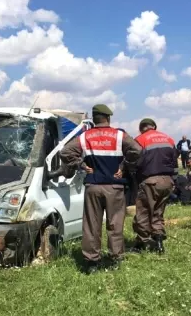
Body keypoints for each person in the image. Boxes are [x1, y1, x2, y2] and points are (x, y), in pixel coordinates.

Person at [60, 104, 141, 274]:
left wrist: (81, 164)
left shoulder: (85, 136)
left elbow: (66, 152)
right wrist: (124, 165)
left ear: (94, 118)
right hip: (115, 186)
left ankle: (91, 262)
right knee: (115, 223)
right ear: (108, 117)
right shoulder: (120, 135)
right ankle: (115, 259)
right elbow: (137, 150)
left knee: (92, 225)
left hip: (93, 186)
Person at [132, 118, 177, 254]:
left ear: (141, 128)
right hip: (167, 181)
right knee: (158, 212)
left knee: (144, 212)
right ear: (154, 127)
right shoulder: (169, 139)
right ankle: (158, 242)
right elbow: (174, 162)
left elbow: (135, 162)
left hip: (150, 181)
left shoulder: (140, 139)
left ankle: (142, 243)